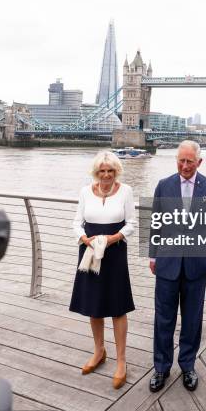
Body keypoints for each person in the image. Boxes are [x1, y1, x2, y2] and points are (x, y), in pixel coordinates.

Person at [149, 140, 206, 392]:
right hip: (167, 262)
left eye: (190, 161)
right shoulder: (163, 185)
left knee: (192, 320)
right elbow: (155, 223)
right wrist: (152, 255)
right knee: (163, 319)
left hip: (197, 265)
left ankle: (188, 365)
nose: (185, 165)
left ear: (199, 162)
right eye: (181, 160)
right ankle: (161, 367)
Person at [69, 150, 136, 389]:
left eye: (110, 171)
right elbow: (77, 222)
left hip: (115, 251)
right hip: (89, 251)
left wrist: (113, 238)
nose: (106, 175)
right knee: (94, 306)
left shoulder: (126, 191)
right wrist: (85, 239)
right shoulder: (85, 191)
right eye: (102, 171)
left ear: (116, 171)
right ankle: (99, 351)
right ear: (96, 172)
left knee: (118, 308)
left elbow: (132, 223)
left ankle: (121, 361)